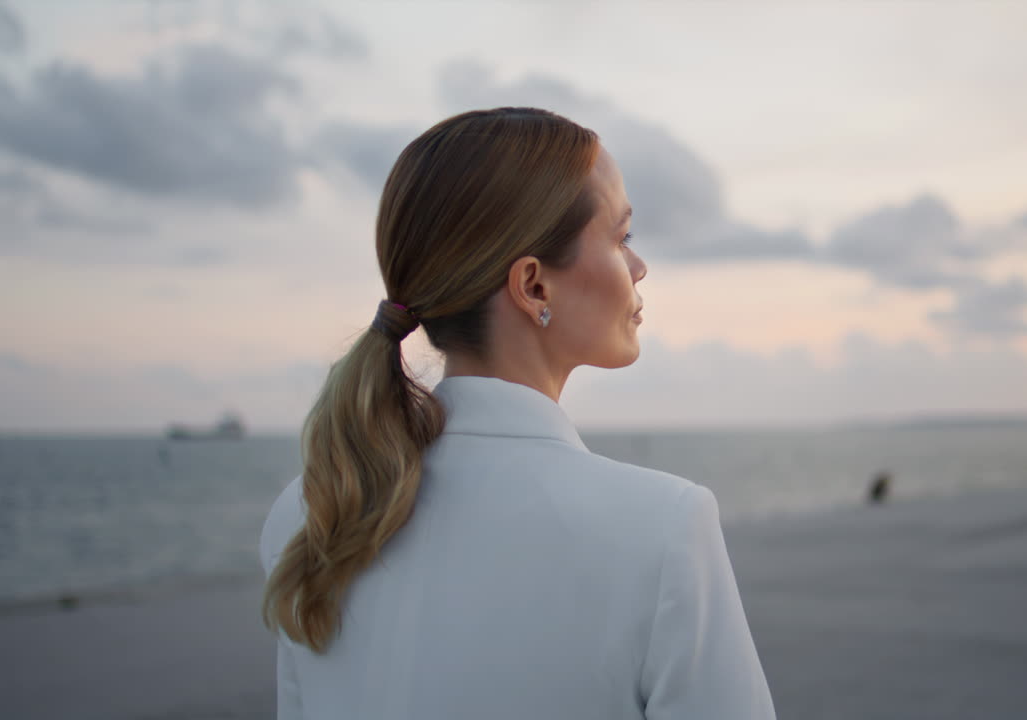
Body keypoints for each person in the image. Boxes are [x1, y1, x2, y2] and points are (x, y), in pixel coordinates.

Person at [258, 108, 775, 719]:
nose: (639, 268)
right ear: (533, 286)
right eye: (622, 238)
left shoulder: (314, 512)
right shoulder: (664, 526)